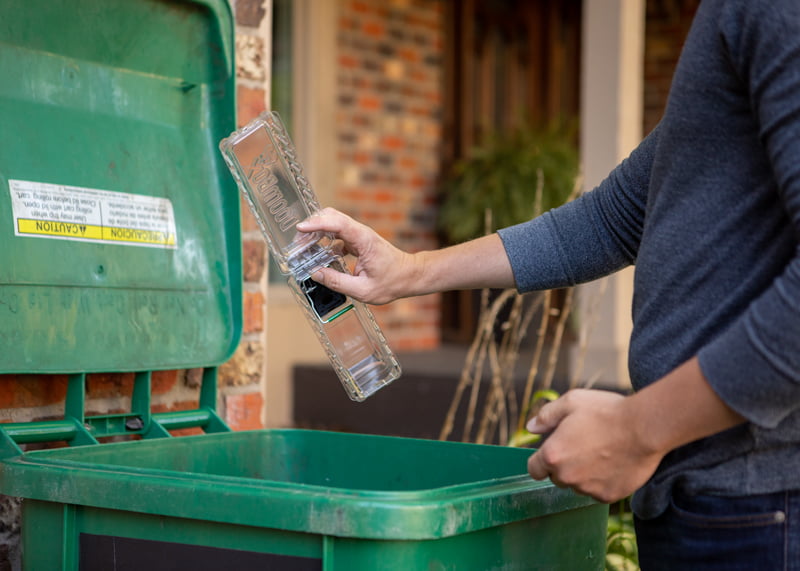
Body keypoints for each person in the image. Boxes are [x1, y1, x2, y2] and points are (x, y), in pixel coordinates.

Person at [297, 0, 800, 568]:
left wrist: (639, 428)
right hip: (714, 495)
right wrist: (408, 271)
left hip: (763, 503)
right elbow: (612, 218)